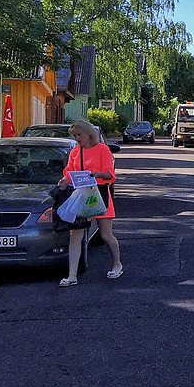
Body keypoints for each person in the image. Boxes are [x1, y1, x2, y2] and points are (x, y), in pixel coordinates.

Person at [59, 119, 123, 286]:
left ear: (89, 133)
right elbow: (69, 172)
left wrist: (97, 175)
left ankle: (117, 264)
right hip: (80, 197)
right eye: (75, 136)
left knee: (106, 235)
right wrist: (65, 180)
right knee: (75, 236)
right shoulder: (75, 152)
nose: (77, 138)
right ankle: (71, 275)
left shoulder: (102, 149)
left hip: (99, 195)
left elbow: (110, 174)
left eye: (79, 135)